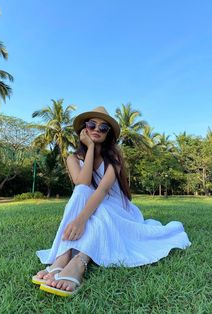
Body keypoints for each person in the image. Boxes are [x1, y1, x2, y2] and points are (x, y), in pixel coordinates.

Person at [32, 106, 191, 297]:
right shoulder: (72, 158)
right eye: (92, 125)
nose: (97, 130)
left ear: (108, 134)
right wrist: (90, 148)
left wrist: (81, 219)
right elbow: (82, 182)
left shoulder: (114, 156)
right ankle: (63, 256)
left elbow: (103, 190)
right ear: (84, 129)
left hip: (117, 207)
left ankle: (80, 260)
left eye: (103, 128)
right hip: (90, 203)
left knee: (101, 209)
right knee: (82, 191)